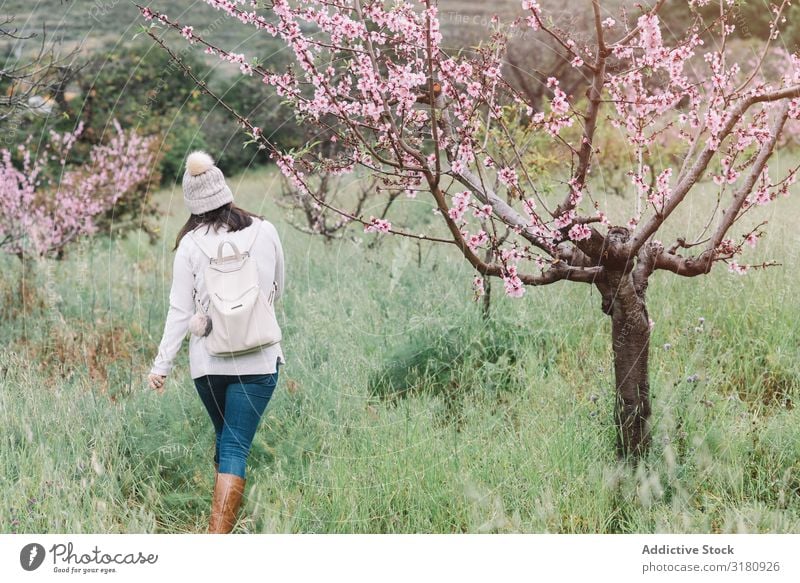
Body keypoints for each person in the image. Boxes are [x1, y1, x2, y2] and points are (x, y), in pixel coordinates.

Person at [147, 151, 285, 534]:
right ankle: (218, 536)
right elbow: (279, 289)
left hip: (209, 364)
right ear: (225, 190)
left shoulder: (190, 245)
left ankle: (218, 527)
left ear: (192, 204)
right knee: (234, 445)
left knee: (227, 440)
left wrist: (161, 366)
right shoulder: (265, 230)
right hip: (259, 361)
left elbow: (179, 310)